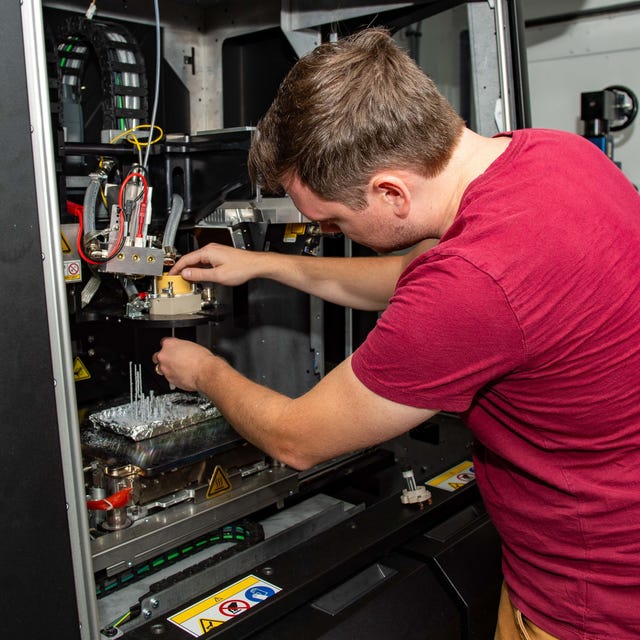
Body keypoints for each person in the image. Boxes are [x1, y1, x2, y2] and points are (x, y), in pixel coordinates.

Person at [152, 28, 640, 640]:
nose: (333, 232)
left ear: (390, 192)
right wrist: (265, 264)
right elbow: (417, 276)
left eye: (333, 221)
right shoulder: (550, 155)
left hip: (589, 606)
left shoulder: (474, 283)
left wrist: (202, 371)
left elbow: (295, 438)